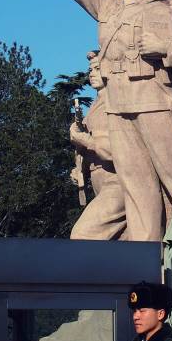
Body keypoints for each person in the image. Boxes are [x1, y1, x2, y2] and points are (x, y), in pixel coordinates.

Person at [26, 0, 172, 241]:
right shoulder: (108, 6)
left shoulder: (159, 10)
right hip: (118, 104)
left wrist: (163, 48)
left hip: (151, 100)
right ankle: (145, 261)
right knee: (137, 187)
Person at [69, 51, 127, 240]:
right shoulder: (94, 108)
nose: (92, 73)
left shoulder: (118, 103)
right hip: (98, 182)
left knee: (82, 235)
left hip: (118, 181)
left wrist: (85, 140)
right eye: (90, 70)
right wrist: (80, 171)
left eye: (97, 68)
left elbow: (120, 149)